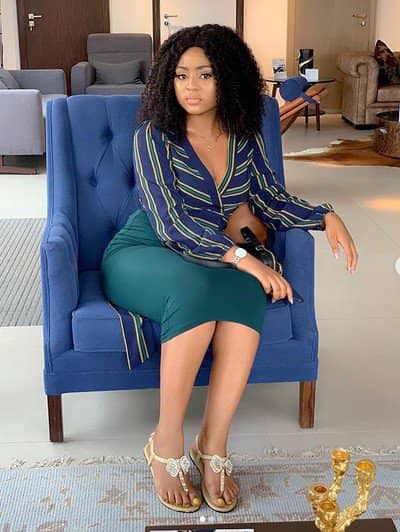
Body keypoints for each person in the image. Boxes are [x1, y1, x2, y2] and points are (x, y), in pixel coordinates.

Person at [100, 24, 358, 514]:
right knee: (200, 287)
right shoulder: (153, 137)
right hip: (144, 250)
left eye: (205, 74)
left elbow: (270, 199)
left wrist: (325, 215)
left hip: (210, 254)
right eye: (180, 75)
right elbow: (172, 224)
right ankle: (166, 442)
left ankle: (212, 444)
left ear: (228, 78)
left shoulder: (243, 135)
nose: (191, 87)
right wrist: (243, 258)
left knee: (243, 292)